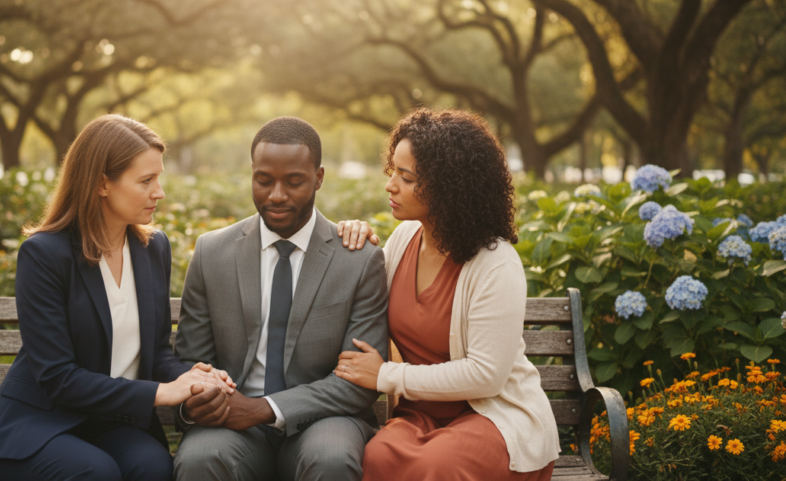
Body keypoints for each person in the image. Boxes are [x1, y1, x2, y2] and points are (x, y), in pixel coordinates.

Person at [0, 115, 232, 481]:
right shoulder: (45, 255)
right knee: (97, 473)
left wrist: (193, 378)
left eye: (159, 178)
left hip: (109, 425)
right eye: (146, 180)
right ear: (101, 184)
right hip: (38, 425)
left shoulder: (152, 247)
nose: (159, 192)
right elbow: (58, 377)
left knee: (155, 467)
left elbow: (156, 352)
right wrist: (162, 392)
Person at [335, 108, 560, 481]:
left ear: (449, 186)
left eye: (406, 178)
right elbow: (361, 295)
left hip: (493, 416)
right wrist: (350, 237)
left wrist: (386, 375)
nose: (390, 185)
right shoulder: (404, 238)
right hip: (420, 418)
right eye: (392, 171)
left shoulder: (496, 263)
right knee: (375, 458)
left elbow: (485, 376)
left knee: (435, 466)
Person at [172, 116, 389, 481]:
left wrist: (263, 409)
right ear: (252, 174)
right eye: (263, 180)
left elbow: (357, 380)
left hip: (325, 420)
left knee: (331, 459)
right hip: (232, 423)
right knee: (200, 458)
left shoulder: (358, 258)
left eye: (294, 182)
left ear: (318, 178)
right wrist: (200, 397)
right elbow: (193, 359)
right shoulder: (212, 252)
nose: (276, 195)